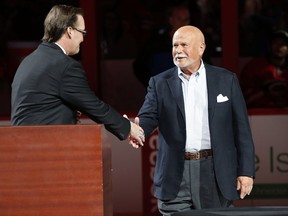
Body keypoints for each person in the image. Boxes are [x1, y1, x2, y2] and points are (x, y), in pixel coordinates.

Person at [134, 26, 255, 215]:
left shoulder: (226, 79)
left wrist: (246, 171)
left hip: (216, 173)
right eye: (175, 45)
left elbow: (242, 130)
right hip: (175, 174)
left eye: (184, 45)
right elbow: (148, 117)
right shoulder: (159, 82)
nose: (178, 50)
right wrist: (137, 129)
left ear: (201, 48)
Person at [11, 5, 144, 147]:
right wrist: (128, 127)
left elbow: (43, 106)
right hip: (45, 151)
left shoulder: (28, 61)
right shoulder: (64, 65)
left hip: (20, 151)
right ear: (70, 31)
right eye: (83, 32)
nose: (83, 39)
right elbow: (93, 105)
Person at [133, 4, 191, 87]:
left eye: (186, 20)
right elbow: (139, 66)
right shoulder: (156, 43)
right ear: (171, 20)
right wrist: (153, 85)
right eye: (179, 18)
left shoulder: (195, 44)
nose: (183, 23)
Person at [240, 30, 288, 108]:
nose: (279, 47)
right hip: (260, 115)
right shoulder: (254, 66)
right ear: (269, 46)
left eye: (283, 44)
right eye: (275, 43)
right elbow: (244, 95)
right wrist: (269, 101)